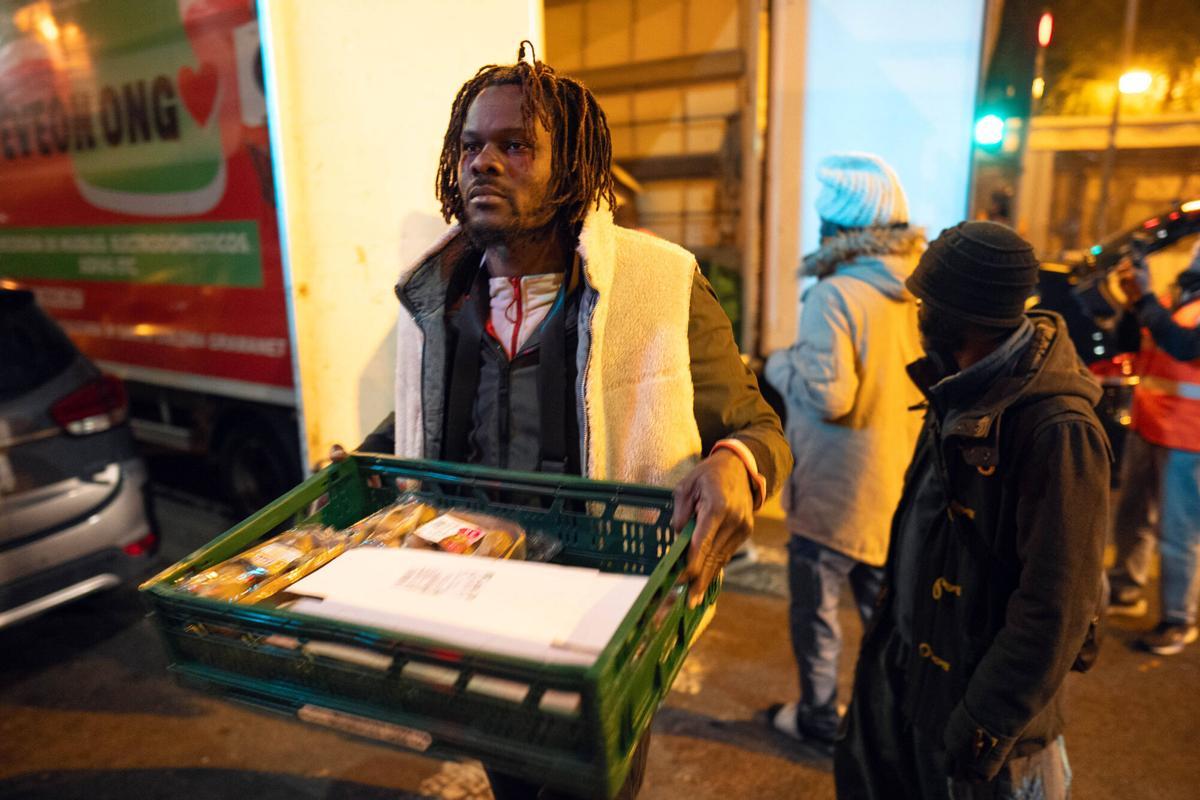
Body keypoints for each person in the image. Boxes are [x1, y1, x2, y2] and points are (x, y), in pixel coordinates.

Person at [343, 44, 790, 798]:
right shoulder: (440, 299)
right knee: (511, 774)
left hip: (604, 618)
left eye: (515, 146)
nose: (483, 163)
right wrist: (356, 467)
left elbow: (757, 426)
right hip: (472, 606)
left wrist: (735, 462)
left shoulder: (661, 285)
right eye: (470, 146)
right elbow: (417, 424)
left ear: (573, 170)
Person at [834, 221, 1110, 800]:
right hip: (917, 692)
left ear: (959, 312)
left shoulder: (1056, 429)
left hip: (987, 736)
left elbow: (1057, 606)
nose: (917, 311)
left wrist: (983, 726)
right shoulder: (959, 385)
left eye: (925, 302)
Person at [762, 152, 925, 749]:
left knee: (818, 614)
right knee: (888, 621)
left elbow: (829, 397)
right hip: (895, 483)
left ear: (838, 225)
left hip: (834, 490)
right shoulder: (914, 292)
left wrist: (779, 364)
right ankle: (889, 725)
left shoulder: (835, 295)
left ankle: (820, 719)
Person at [1107, 241, 1200, 655]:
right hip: (1149, 424)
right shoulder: (1174, 297)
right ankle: (1127, 589)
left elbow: (1183, 345)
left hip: (1188, 434)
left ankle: (1178, 620)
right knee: (1131, 515)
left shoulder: (1170, 302)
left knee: (1178, 533)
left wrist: (1145, 298)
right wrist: (1132, 302)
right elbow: (1128, 342)